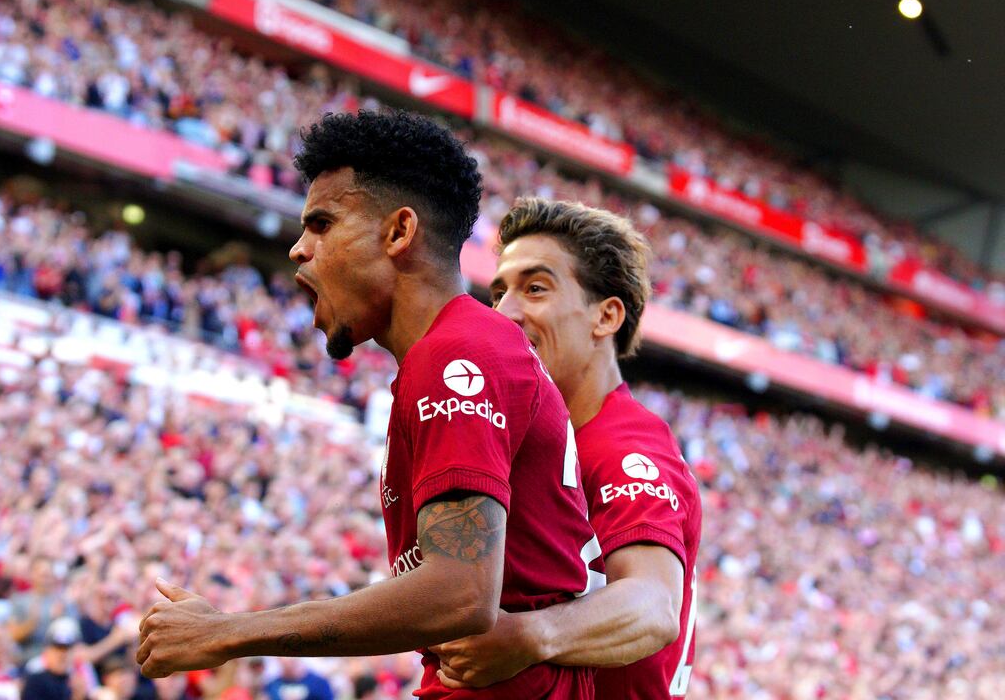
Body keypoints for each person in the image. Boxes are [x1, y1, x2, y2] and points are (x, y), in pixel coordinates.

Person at [136, 110, 603, 698]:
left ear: (398, 233)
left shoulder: (457, 354)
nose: (298, 249)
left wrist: (228, 632)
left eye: (323, 224)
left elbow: (460, 591)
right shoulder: (456, 351)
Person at [432, 198, 702, 698]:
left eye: (535, 289)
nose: (504, 312)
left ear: (606, 317)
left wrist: (532, 636)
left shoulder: (622, 447)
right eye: (499, 292)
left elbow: (653, 605)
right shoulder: (543, 439)